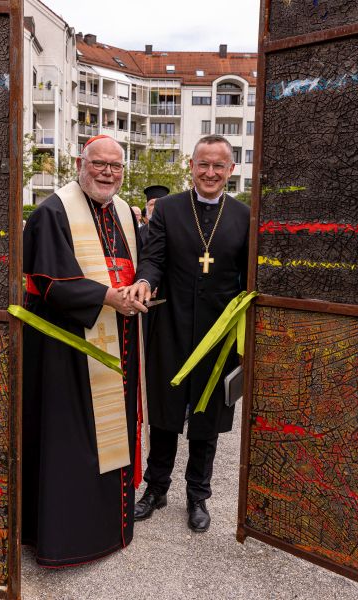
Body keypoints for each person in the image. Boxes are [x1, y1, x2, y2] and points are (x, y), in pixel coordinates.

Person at [21, 136, 147, 566]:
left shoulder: (124, 215)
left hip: (117, 343)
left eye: (115, 166)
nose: (107, 172)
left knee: (110, 437)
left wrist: (141, 287)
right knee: (70, 444)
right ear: (81, 163)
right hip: (66, 350)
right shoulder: (53, 212)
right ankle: (67, 538)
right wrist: (108, 298)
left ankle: (109, 526)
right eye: (99, 164)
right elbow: (50, 280)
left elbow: (145, 263)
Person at [124, 135, 249, 532]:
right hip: (171, 327)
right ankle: (156, 488)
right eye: (203, 165)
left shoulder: (245, 216)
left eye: (218, 166)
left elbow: (249, 277)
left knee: (206, 418)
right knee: (164, 414)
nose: (210, 173)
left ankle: (198, 496)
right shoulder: (170, 210)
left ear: (230, 170)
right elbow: (154, 257)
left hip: (219, 335)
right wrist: (144, 280)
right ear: (191, 167)